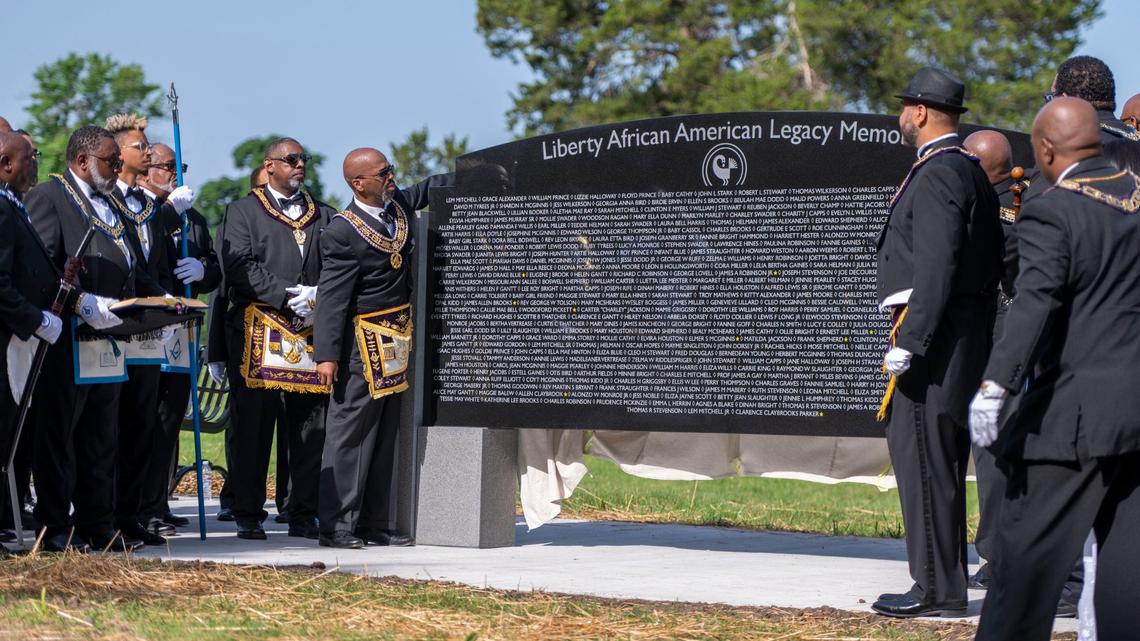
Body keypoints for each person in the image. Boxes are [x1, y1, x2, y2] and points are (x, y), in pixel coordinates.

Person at [969, 96, 1140, 641]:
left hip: (1074, 417)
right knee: (1125, 570)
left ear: (1045, 149)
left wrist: (994, 384)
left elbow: (1035, 302)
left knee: (1024, 563)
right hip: (1136, 411)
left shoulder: (1054, 206)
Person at [871, 67, 1003, 618]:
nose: (902, 115)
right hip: (953, 331)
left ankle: (935, 588)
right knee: (936, 461)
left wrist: (915, 339)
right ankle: (941, 585)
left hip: (936, 337)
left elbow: (939, 264)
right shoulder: (962, 169)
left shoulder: (943, 172)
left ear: (920, 112)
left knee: (925, 459)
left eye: (905, 107)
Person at [26, 126, 167, 552]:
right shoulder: (51, 199)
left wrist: (162, 298)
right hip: (67, 339)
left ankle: (98, 523)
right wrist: (81, 301)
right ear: (84, 161)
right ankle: (54, 526)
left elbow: (129, 265)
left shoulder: (112, 206)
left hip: (107, 342)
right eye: (111, 161)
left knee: (101, 437)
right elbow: (40, 267)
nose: (119, 167)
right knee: (59, 436)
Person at [313, 148, 449, 548]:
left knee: (386, 436)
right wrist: (326, 356)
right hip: (361, 345)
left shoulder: (398, 207)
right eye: (383, 172)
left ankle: (375, 523)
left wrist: (477, 172)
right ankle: (337, 525)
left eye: (391, 169)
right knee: (350, 435)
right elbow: (333, 298)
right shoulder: (342, 230)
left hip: (397, 341)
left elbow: (429, 187)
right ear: (359, 183)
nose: (392, 177)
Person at [218, 138, 333, 540]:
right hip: (259, 330)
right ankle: (248, 512)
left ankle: (303, 512)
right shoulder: (243, 211)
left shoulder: (324, 214)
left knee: (309, 429)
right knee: (253, 426)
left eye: (304, 159)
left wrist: (318, 295)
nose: (300, 165)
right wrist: (286, 293)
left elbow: (336, 264)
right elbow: (238, 267)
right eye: (291, 159)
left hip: (309, 332)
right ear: (269, 167)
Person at [103, 114, 194, 547]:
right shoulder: (108, 203)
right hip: (111, 326)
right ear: (118, 154)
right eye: (140, 146)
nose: (147, 150)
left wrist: (170, 299)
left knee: (144, 423)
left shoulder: (151, 210)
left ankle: (134, 512)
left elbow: (152, 269)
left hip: (147, 330)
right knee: (112, 427)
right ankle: (104, 515)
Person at [137, 143, 221, 535]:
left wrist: (201, 269)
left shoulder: (194, 218)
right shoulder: (145, 210)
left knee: (172, 418)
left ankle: (159, 501)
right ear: (145, 170)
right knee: (148, 420)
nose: (175, 173)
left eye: (179, 165)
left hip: (184, 330)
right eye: (168, 166)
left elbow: (215, 268)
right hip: (152, 329)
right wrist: (170, 212)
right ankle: (141, 504)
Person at [211, 165, 292, 525]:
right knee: (249, 427)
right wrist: (215, 348)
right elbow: (221, 289)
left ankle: (292, 503)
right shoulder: (238, 219)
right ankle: (239, 498)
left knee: (290, 425)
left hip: (292, 335)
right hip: (250, 330)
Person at [0, 132, 66, 553]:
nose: (36, 165)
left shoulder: (14, 205)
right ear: (6, 162)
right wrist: (36, 318)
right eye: (30, 157)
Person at [1048, 56, 1139, 142]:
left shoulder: (1062, 149)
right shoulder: (1134, 138)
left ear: (1065, 101)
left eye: (1051, 97)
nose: (1048, 106)